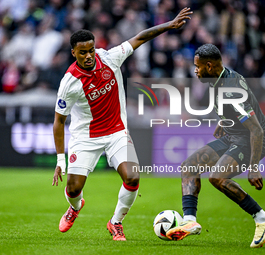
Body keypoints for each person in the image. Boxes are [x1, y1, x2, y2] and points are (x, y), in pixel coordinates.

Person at [52, 8, 192, 241]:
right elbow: (59, 121)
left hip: (116, 131)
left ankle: (115, 222)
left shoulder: (109, 57)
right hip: (85, 137)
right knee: (74, 188)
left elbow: (139, 37)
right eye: (82, 52)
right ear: (73, 52)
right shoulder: (69, 82)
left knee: (133, 177)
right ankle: (75, 208)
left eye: (91, 50)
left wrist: (169, 25)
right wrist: (60, 159)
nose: (88, 56)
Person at [166, 44, 265, 248]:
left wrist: (254, 168)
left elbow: (257, 130)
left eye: (197, 67)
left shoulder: (231, 90)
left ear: (209, 65)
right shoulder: (218, 77)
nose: (195, 71)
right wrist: (224, 120)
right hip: (234, 134)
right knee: (189, 166)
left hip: (251, 140)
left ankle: (261, 217)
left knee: (217, 177)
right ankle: (189, 221)